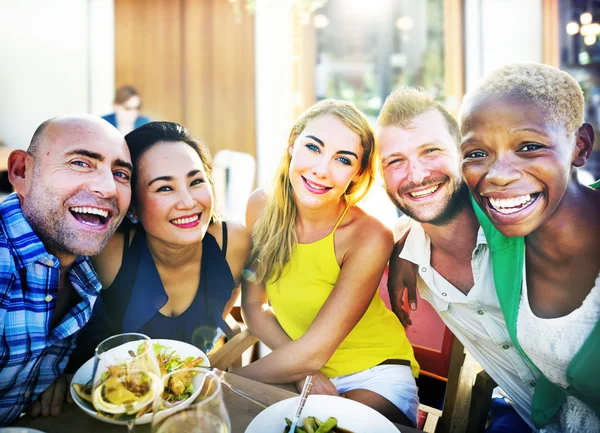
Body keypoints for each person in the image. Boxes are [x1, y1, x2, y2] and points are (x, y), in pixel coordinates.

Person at [237, 99, 420, 426]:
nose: (322, 169)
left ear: (357, 173)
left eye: (343, 159)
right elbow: (253, 303)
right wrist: (302, 370)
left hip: (373, 375)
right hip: (298, 368)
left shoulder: (368, 236)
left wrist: (222, 378)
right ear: (293, 143)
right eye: (313, 147)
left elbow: (314, 352)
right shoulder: (260, 206)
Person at [379, 87, 539, 432]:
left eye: (431, 151)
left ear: (464, 153)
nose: (417, 174)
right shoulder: (407, 255)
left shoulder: (523, 219)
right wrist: (400, 244)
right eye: (395, 161)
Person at [459, 62, 600, 433]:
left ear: (580, 145)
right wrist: (400, 247)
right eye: (477, 153)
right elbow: (431, 197)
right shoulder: (503, 219)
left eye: (529, 147)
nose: (499, 174)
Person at [68, 121, 250, 368]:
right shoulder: (106, 253)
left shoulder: (232, 242)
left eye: (196, 181)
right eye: (165, 188)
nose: (187, 202)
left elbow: (221, 313)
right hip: (116, 391)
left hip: (194, 389)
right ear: (131, 205)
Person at [0, 115, 132, 425]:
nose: (107, 188)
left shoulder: (83, 267)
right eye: (81, 163)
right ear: (21, 171)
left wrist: (59, 378)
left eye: (120, 173)